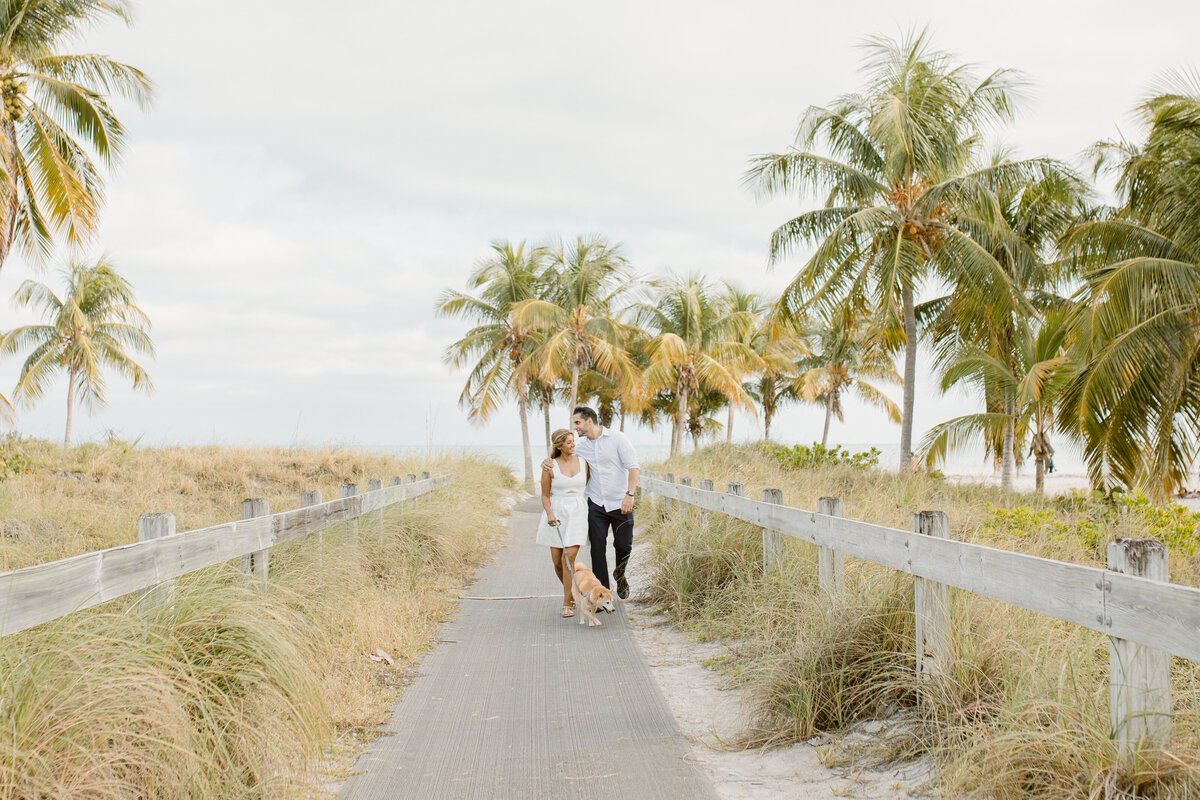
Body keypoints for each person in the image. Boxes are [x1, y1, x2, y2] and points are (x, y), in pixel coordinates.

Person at [543, 405, 639, 603]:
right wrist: (545, 462)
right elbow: (563, 455)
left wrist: (629, 494)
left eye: (577, 423)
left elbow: (633, 467)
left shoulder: (618, 439)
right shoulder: (581, 447)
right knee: (597, 548)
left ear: (589, 421)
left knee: (624, 546)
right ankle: (603, 594)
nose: (575, 428)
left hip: (621, 502)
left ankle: (620, 575)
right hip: (596, 504)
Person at [535, 428, 589, 618]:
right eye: (568, 442)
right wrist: (549, 513)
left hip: (578, 512)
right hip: (556, 513)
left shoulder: (584, 462)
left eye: (573, 441)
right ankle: (572, 592)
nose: (573, 445)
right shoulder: (550, 466)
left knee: (569, 558)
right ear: (559, 446)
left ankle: (567, 603)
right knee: (557, 562)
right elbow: (544, 494)